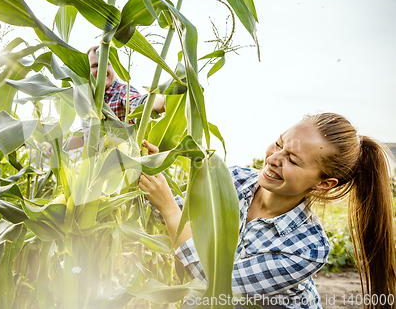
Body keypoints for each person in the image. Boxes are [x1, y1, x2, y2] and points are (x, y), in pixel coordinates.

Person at [139, 113, 396, 309]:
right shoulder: (233, 180)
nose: (274, 158)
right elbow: (181, 218)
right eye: (278, 143)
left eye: (293, 160)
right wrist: (152, 170)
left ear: (323, 183)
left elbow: (216, 286)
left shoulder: (308, 248)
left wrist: (169, 207)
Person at [65, 46, 166, 150]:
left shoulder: (123, 91)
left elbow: (139, 104)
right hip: (96, 166)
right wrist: (59, 146)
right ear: (86, 70)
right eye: (95, 65)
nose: (101, 70)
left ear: (114, 66)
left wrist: (163, 103)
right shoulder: (87, 102)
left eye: (105, 64)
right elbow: (86, 137)